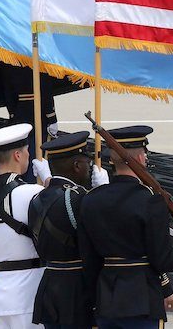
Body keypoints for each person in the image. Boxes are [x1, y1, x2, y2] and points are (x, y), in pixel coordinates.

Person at [78, 125, 173, 328]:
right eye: (145, 153)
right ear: (140, 158)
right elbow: (163, 258)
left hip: (106, 300)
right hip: (142, 302)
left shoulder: (91, 199)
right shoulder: (150, 200)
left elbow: (89, 259)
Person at [28, 130, 109, 329]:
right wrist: (102, 193)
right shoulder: (79, 199)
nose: (89, 169)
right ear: (76, 166)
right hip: (78, 289)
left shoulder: (36, 199)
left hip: (50, 285)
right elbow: (100, 240)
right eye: (87, 164)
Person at [0, 123, 50, 329]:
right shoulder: (31, 192)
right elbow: (60, 207)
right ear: (18, 155)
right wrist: (49, 179)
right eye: (26, 152)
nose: (28, 156)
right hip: (29, 290)